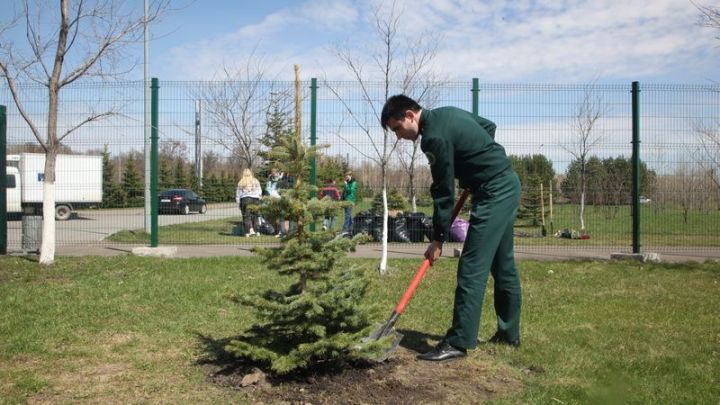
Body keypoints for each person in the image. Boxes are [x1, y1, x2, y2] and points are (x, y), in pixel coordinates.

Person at [381, 94, 522, 362]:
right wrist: (474, 164)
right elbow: (488, 126)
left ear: (410, 115)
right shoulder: (449, 113)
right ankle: (509, 334)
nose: (398, 136)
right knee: (503, 266)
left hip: (494, 193)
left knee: (471, 267)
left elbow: (443, 191)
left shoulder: (433, 137)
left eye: (398, 128)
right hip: (507, 182)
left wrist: (437, 238)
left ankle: (458, 342)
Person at [236, 168, 262, 237]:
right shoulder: (255, 181)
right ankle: (257, 231)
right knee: (255, 215)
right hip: (255, 199)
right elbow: (260, 190)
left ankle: (248, 232)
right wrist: (259, 197)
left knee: (246, 216)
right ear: (251, 173)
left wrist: (238, 202)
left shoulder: (241, 182)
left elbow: (238, 194)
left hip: (245, 199)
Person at [265, 167, 287, 237]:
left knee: (281, 216)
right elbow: (267, 189)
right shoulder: (270, 180)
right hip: (272, 200)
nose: (273, 174)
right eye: (272, 173)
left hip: (280, 200)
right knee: (273, 217)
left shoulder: (281, 180)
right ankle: (276, 231)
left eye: (275, 173)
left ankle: (282, 232)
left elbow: (284, 188)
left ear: (278, 173)